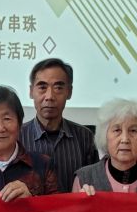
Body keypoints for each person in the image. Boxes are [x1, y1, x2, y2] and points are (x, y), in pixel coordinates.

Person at [20, 58, 99, 191]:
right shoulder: (18, 136)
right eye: (42, 87)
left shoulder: (85, 136)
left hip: (74, 205)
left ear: (69, 92)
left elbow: (94, 181)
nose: (49, 96)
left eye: (58, 88)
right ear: (31, 91)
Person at [72, 99, 137, 195]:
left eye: (133, 130)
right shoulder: (84, 179)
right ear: (105, 136)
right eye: (117, 130)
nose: (125, 139)